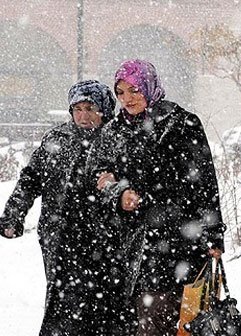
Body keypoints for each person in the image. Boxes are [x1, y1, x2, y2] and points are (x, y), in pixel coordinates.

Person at [87, 59, 226, 335]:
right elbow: (97, 177)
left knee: (183, 322)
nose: (127, 99)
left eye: (134, 90)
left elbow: (203, 184)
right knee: (143, 321)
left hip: (180, 240)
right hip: (129, 247)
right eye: (121, 92)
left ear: (149, 87)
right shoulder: (113, 132)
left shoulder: (180, 124)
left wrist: (214, 234)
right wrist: (119, 194)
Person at [0, 80, 127, 335]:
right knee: (63, 304)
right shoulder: (56, 140)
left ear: (103, 109)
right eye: (77, 109)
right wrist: (13, 215)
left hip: (105, 241)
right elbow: (30, 179)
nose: (83, 115)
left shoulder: (118, 139)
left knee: (105, 307)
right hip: (60, 239)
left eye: (90, 108)